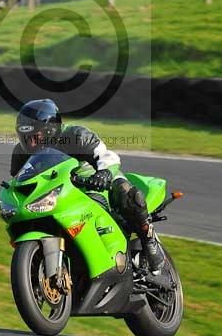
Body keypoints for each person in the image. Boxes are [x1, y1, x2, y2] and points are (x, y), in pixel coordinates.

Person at [10, 98, 164, 273]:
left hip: (96, 185)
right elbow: (18, 181)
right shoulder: (20, 153)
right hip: (60, 194)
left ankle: (148, 239)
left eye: (34, 137)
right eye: (25, 137)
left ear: (49, 130)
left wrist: (103, 174)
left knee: (126, 192)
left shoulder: (75, 135)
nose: (30, 143)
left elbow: (107, 156)